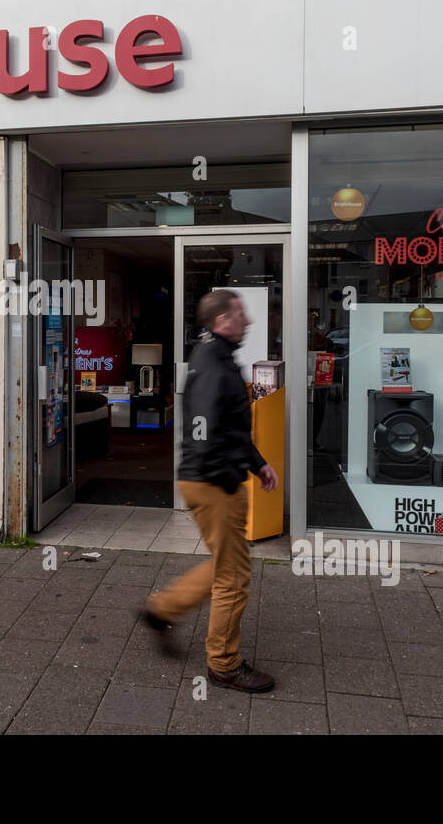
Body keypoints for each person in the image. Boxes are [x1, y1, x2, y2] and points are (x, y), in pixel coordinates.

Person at [141, 289, 280, 692]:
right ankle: (223, 665)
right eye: (241, 314)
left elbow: (228, 427)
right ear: (222, 320)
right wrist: (225, 478)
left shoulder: (215, 356)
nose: (249, 321)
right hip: (212, 482)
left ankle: (162, 609)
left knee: (226, 563)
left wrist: (257, 463)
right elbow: (203, 430)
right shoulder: (214, 364)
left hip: (212, 477)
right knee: (234, 577)